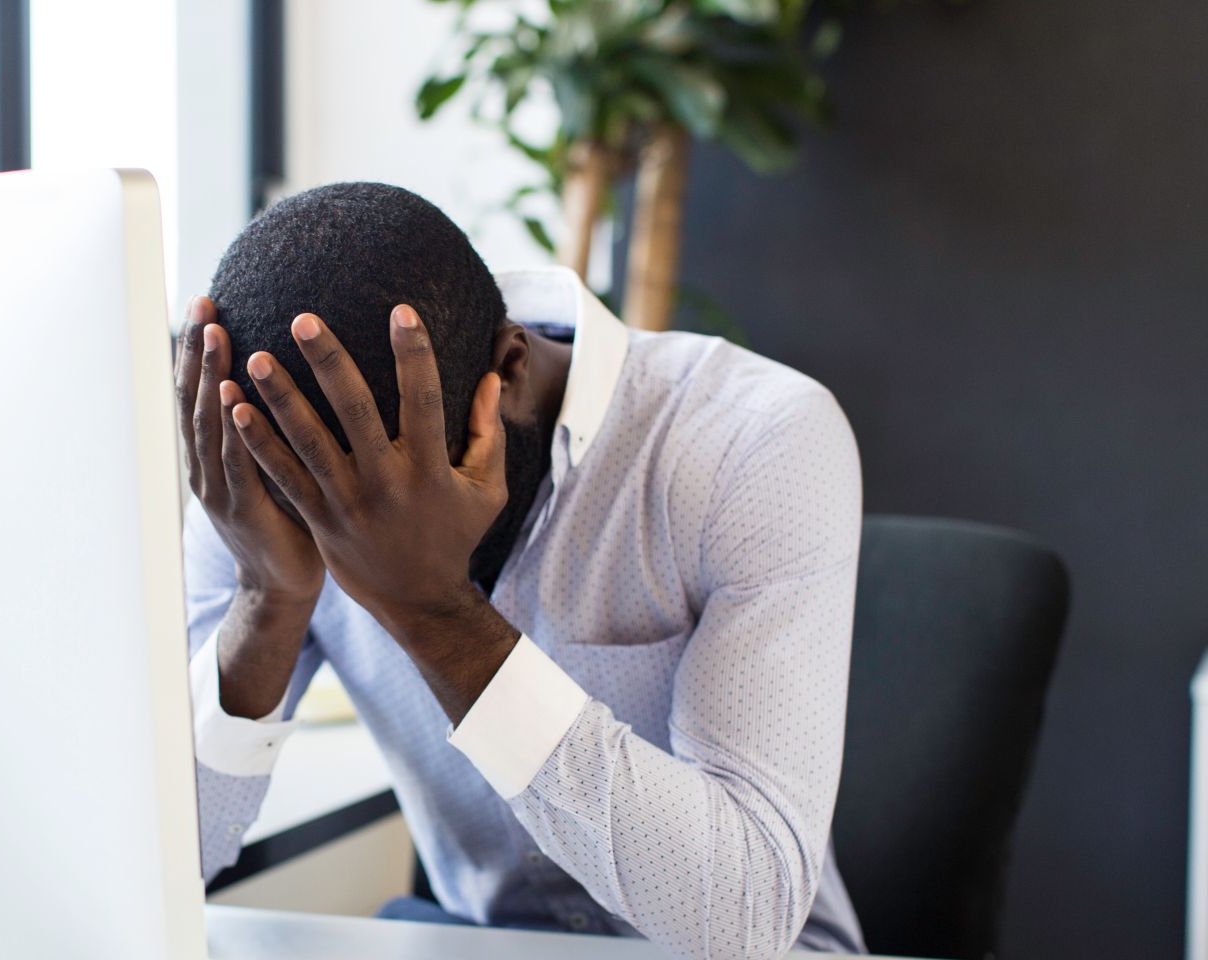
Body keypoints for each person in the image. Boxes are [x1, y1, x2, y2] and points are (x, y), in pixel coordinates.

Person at [174, 181, 867, 959]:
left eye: (376, 499)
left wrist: (433, 611)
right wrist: (267, 594)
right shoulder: (262, 472)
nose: (341, 528)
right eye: (311, 504)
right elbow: (153, 863)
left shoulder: (751, 441)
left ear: (505, 371)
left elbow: (745, 914)